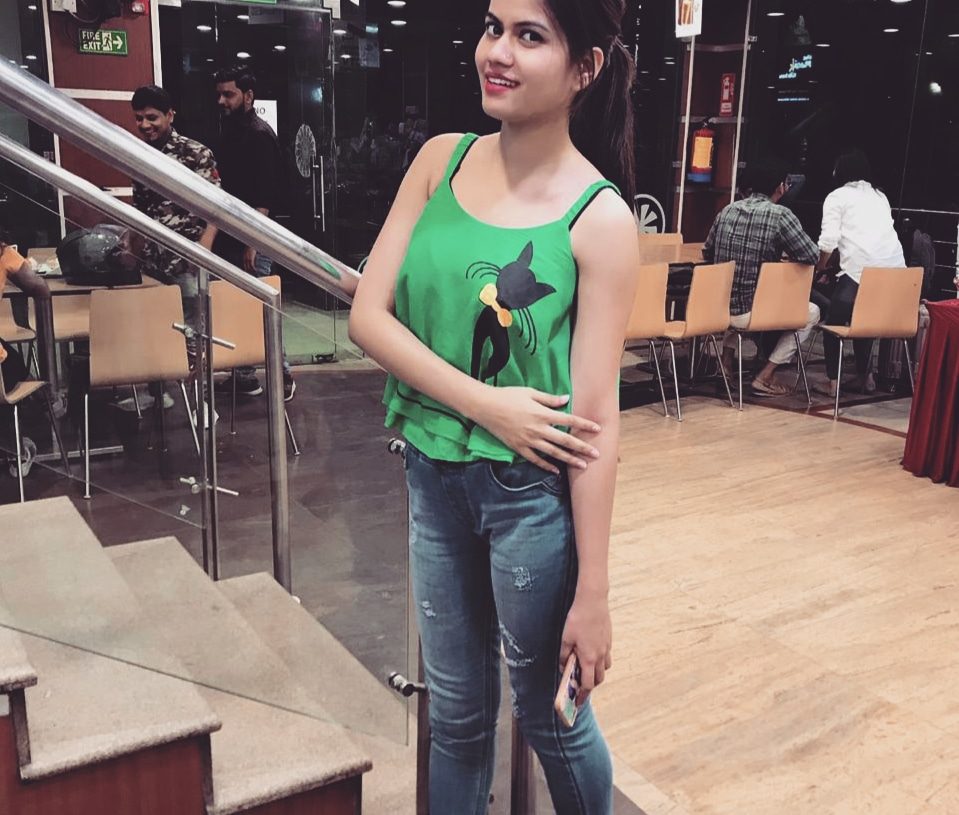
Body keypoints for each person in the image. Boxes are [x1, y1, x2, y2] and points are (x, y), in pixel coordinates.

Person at [349, 1, 639, 812]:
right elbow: (367, 316)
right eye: (491, 27)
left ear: (584, 69)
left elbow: (596, 420)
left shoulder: (600, 219)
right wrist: (488, 405)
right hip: (431, 476)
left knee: (552, 718)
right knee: (456, 718)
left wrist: (594, 593)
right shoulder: (438, 161)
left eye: (528, 35)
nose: (496, 52)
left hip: (529, 497)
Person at [703, 157, 820, 396]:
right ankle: (766, 375)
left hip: (717, 308)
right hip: (751, 313)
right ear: (781, 187)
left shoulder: (727, 210)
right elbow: (812, 254)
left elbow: (708, 251)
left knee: (735, 285)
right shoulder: (780, 215)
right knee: (812, 312)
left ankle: (726, 363)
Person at [212, 65, 294, 400]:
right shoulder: (229, 131)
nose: (222, 101)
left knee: (263, 309)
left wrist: (253, 242)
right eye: (219, 94)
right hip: (233, 234)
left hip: (253, 236)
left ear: (248, 96)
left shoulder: (259, 134)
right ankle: (245, 376)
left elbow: (266, 194)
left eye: (229, 94)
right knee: (239, 307)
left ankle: (283, 376)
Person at [130, 84, 219, 360]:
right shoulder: (139, 155)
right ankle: (161, 387)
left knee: (193, 335)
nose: (145, 125)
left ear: (170, 115)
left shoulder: (195, 152)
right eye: (139, 118)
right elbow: (140, 209)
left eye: (152, 117)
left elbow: (216, 207)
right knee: (157, 334)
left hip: (186, 262)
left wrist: (203, 249)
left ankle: (196, 388)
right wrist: (131, 250)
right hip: (152, 263)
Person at [817, 149, 905, 396]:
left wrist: (820, 266)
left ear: (839, 172)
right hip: (897, 281)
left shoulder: (837, 196)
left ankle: (833, 383)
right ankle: (865, 378)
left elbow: (828, 242)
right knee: (863, 321)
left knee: (833, 323)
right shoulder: (880, 196)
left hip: (859, 276)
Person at [1, 240, 51, 475]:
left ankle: (43, 401)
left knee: (11, 360)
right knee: (11, 367)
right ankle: (18, 448)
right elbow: (41, 289)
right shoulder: (4, 254)